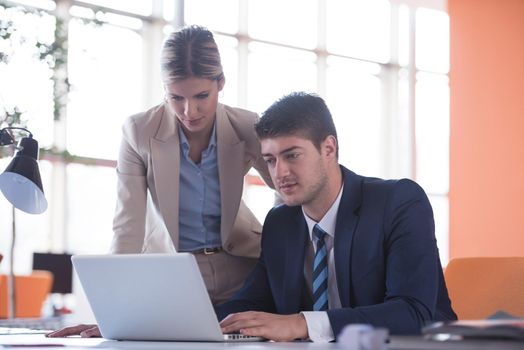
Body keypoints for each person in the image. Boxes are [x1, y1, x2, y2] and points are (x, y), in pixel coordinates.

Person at [47, 25, 272, 338]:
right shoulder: (139, 131)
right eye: (175, 97)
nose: (188, 111)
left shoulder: (248, 126)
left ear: (220, 83)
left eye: (201, 96)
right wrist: (115, 313)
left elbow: (288, 188)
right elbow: (128, 226)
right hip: (173, 280)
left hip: (243, 273)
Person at [216, 92, 457, 342]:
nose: (280, 172)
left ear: (328, 148)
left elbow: (413, 313)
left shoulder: (398, 202)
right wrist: (196, 321)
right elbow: (251, 303)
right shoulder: (280, 223)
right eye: (270, 160)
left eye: (292, 155)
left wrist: (302, 324)